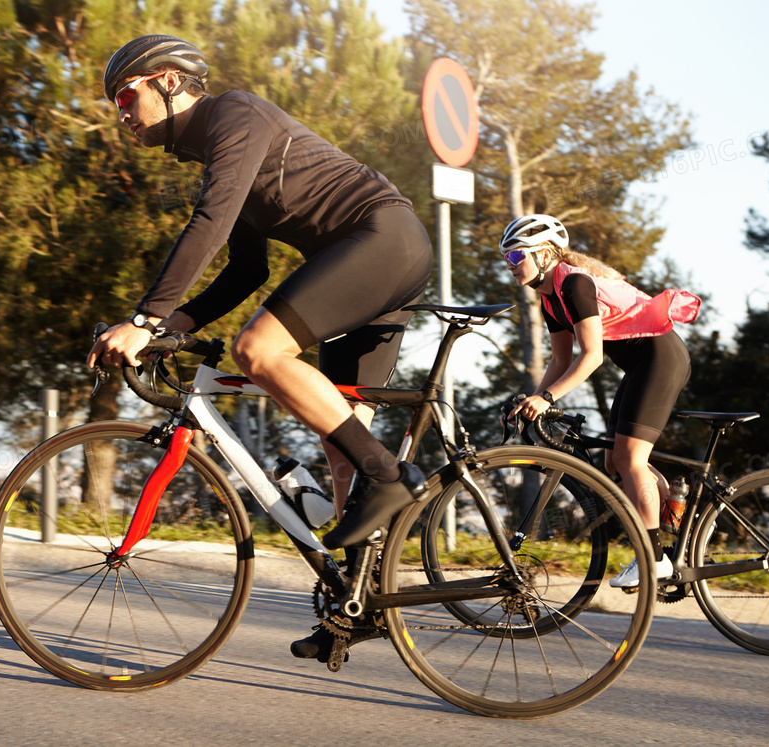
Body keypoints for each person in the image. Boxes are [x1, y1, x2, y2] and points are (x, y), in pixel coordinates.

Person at [87, 35, 432, 659]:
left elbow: (209, 224)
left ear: (166, 80)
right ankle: (359, 607)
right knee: (339, 443)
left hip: (381, 240)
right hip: (364, 260)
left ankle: (392, 474)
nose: (119, 110)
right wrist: (174, 327)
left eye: (124, 93)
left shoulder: (234, 116)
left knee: (259, 351)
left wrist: (145, 316)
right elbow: (244, 270)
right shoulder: (223, 148)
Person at [502, 214, 700, 587]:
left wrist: (546, 398)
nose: (510, 266)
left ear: (544, 254)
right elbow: (561, 360)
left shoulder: (575, 284)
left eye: (515, 257)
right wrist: (531, 401)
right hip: (640, 367)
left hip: (661, 359)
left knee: (631, 460)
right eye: (506, 260)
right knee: (613, 461)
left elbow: (590, 356)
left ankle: (653, 560)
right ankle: (672, 517)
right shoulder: (550, 297)